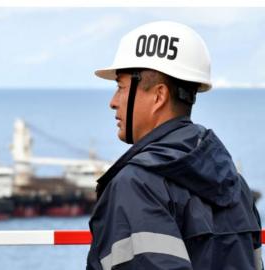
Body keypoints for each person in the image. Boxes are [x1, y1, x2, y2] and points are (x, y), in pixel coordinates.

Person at [87, 21, 262, 270]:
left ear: (159, 96)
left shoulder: (136, 185)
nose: (113, 102)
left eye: (120, 87)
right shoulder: (234, 184)